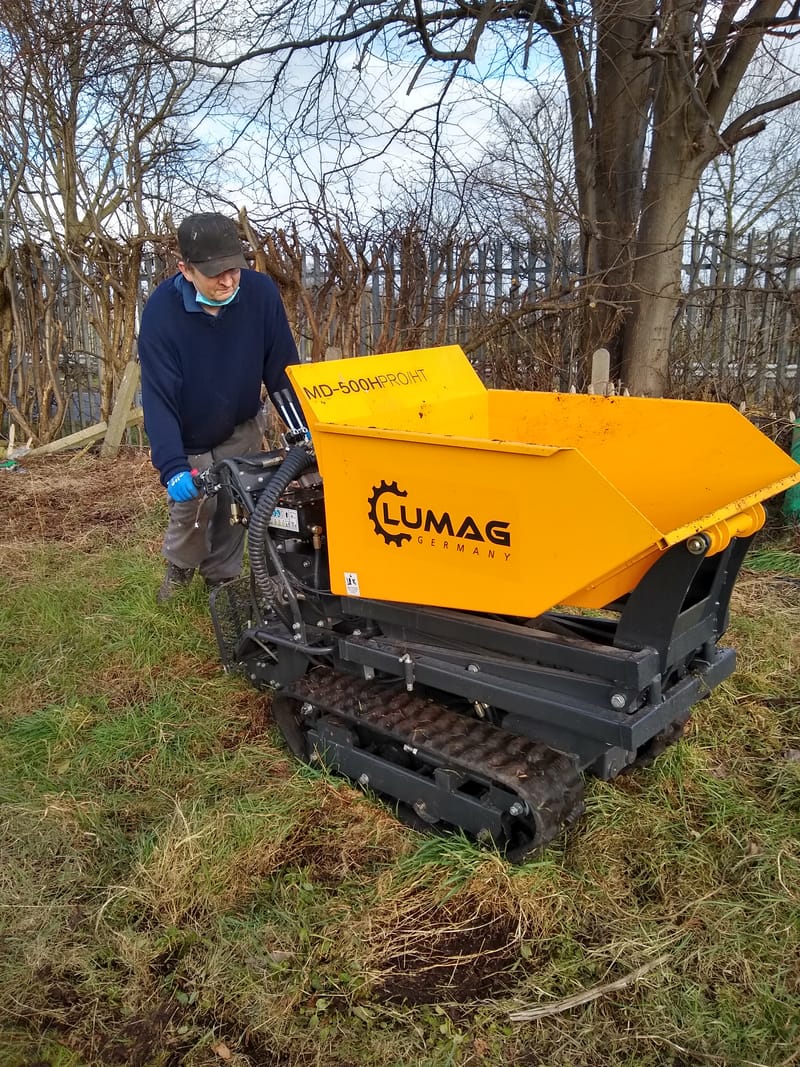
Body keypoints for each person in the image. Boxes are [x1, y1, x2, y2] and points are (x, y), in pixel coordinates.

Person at [138, 211, 304, 602]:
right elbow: (158, 396)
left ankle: (222, 581)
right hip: (190, 429)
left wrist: (302, 424)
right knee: (196, 508)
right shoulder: (162, 313)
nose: (228, 280)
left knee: (236, 503)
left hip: (240, 423)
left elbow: (282, 367)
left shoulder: (261, 294)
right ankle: (179, 572)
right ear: (186, 269)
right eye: (215, 273)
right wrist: (173, 465)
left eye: (235, 269)